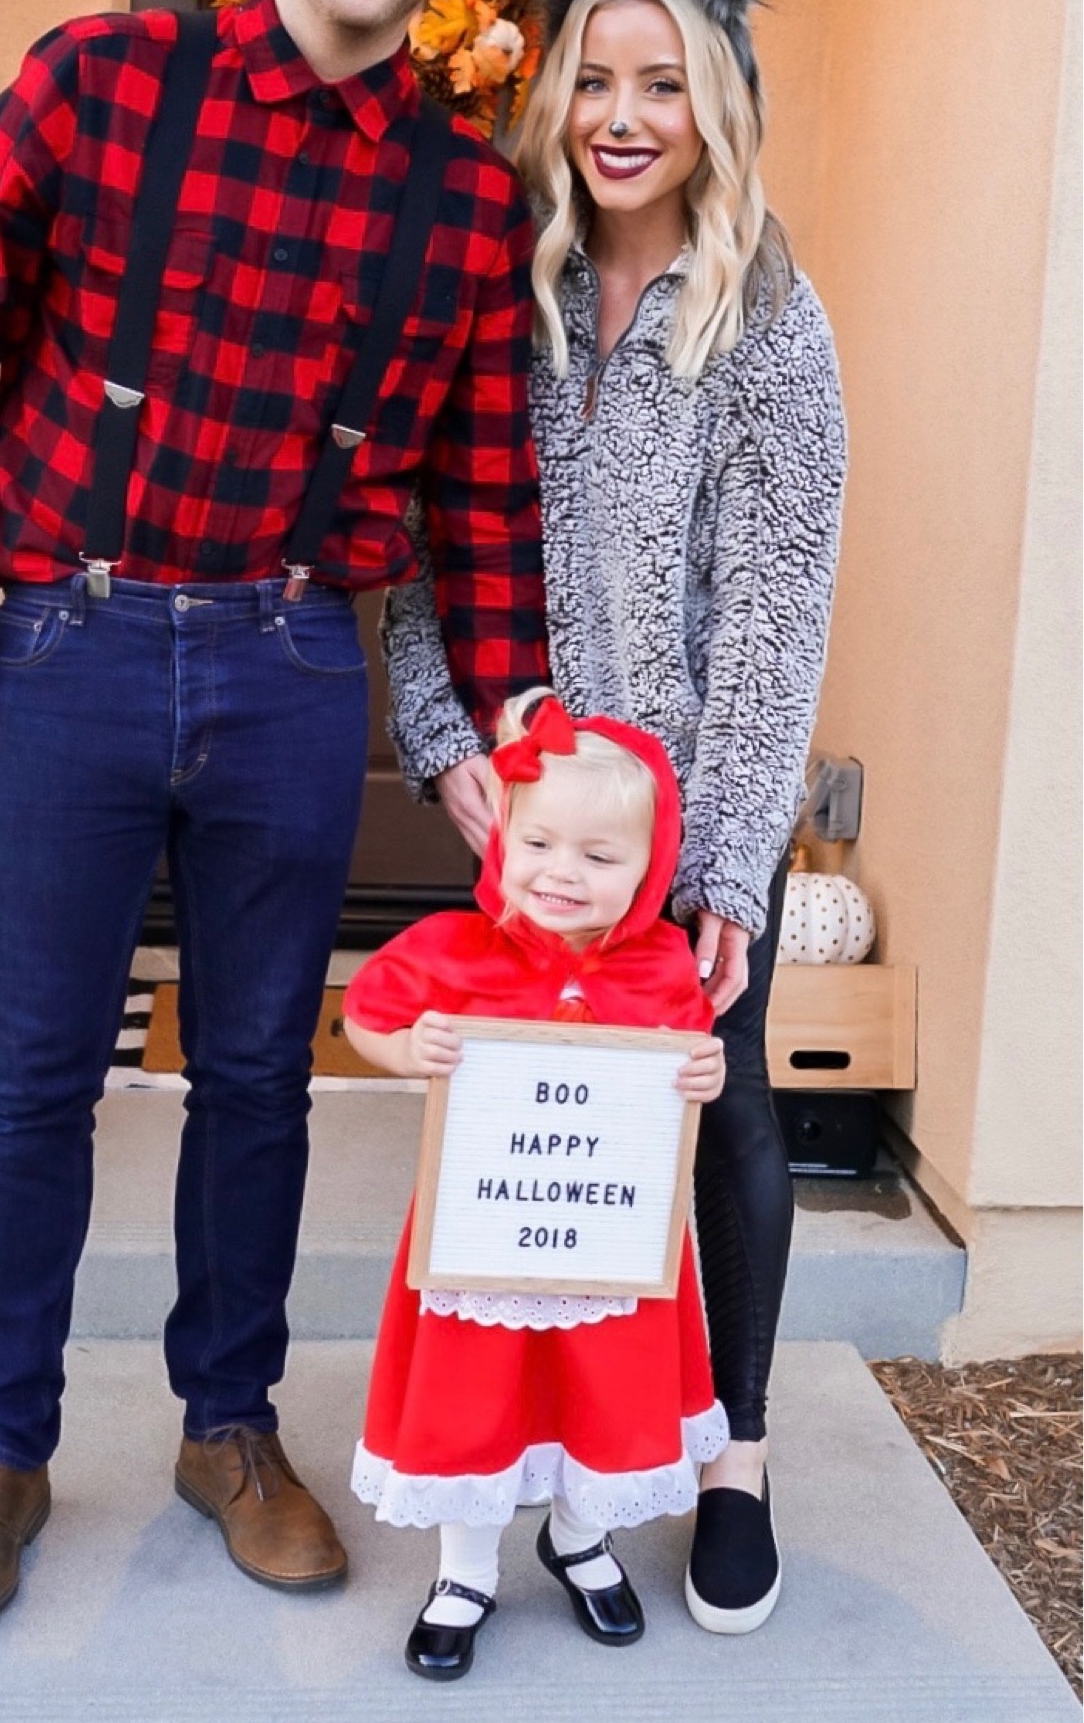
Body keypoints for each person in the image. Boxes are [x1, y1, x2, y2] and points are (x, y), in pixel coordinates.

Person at [0, 0, 547, 1629]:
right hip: (63, 644)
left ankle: (228, 1424)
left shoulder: (465, 199)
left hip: (287, 659)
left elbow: (484, 492)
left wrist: (512, 717)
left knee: (258, 1075)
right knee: (32, 1080)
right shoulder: (101, 80)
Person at [382, 0, 848, 1633]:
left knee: (721, 1105)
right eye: (594, 80)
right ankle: (542, 1442)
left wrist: (726, 868)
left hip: (697, 811)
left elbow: (778, 611)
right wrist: (446, 743)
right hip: (538, 816)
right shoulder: (505, 296)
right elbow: (422, 543)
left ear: (717, 103)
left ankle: (735, 1450)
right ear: (555, 101)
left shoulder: (772, 323)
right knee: (532, 1121)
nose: (623, 116)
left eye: (662, 83)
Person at [344, 689, 728, 1681]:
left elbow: (687, 1056)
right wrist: (406, 1049)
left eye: (599, 856)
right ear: (503, 839)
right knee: (473, 1395)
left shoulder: (661, 963)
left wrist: (703, 1070)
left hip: (608, 1235)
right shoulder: (450, 947)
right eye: (540, 843)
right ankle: (465, 1571)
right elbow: (362, 1017)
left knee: (604, 1388)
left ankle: (579, 1536)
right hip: (484, 1233)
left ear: (649, 869)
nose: (562, 872)